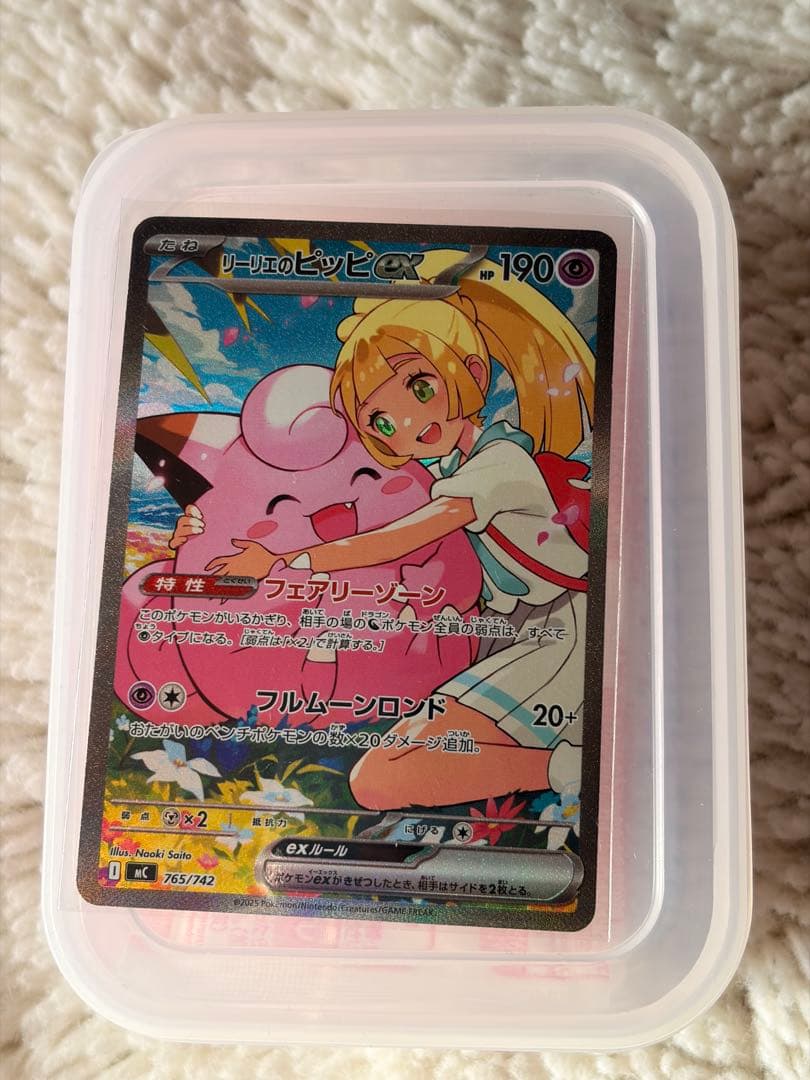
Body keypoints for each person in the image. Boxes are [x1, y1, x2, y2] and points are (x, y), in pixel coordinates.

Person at [206, 250, 597, 811]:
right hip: (506, 631)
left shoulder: (500, 464)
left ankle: (576, 769)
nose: (409, 424)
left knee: (381, 778)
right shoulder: (449, 468)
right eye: (383, 421)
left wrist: (288, 562)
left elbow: (404, 536)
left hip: (559, 634)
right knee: (386, 770)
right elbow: (370, 522)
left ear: (473, 374)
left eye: (420, 387)